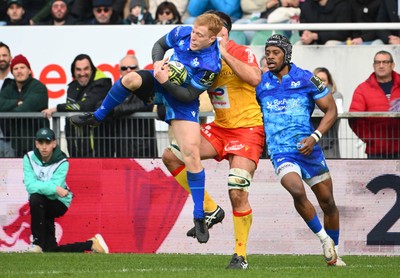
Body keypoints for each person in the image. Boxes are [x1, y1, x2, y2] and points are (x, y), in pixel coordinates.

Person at [70, 13, 224, 244]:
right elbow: (159, 45)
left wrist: (164, 81)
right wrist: (158, 64)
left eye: (199, 35)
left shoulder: (212, 63)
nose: (193, 37)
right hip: (161, 80)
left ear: (212, 39)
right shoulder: (183, 33)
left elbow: (189, 94)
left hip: (183, 101)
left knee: (191, 154)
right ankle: (98, 116)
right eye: (193, 31)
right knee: (130, 79)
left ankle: (200, 216)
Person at [162, 11, 264, 269]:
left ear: (226, 33)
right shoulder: (202, 59)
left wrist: (225, 53)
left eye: (220, 33)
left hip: (247, 129)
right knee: (171, 156)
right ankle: (211, 210)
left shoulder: (241, 52)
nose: (215, 38)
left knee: (237, 189)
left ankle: (240, 256)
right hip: (219, 128)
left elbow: (255, 78)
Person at [256, 34, 346, 266]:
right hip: (281, 152)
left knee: (328, 204)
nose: (270, 57)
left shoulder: (307, 78)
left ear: (287, 54)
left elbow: (331, 110)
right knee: (296, 190)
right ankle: (324, 239)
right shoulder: (260, 84)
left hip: (309, 150)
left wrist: (315, 137)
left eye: (275, 53)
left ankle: (333, 257)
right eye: (267, 53)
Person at [23, 127, 109, 253]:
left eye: (47, 143)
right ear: (36, 144)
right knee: (51, 250)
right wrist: (54, 188)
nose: (44, 147)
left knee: (36, 198)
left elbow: (50, 193)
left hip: (59, 202)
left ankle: (37, 243)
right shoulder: (28, 158)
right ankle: (91, 244)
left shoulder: (62, 162)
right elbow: (30, 185)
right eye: (40, 143)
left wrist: (52, 188)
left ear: (54, 143)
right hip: (44, 202)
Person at [42, 54, 112, 157]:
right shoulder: (72, 87)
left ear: (92, 69)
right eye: (78, 70)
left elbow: (86, 106)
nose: (82, 73)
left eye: (86, 69)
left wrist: (58, 108)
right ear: (73, 72)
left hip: (98, 147)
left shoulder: (102, 84)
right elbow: (71, 114)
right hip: (76, 146)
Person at [349, 50, 400, 159]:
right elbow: (354, 118)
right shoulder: (362, 89)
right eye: (378, 62)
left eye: (385, 62)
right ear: (373, 65)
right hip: (376, 151)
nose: (381, 66)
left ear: (392, 65)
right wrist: (370, 139)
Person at [110, 50, 158, 158]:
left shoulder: (147, 86)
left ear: (138, 69)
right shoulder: (115, 90)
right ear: (120, 71)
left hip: (144, 148)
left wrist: (118, 110)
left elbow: (147, 104)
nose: (128, 70)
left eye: (132, 67)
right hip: (122, 148)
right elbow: (102, 104)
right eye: (124, 68)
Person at [0, 54, 49, 157]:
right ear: (12, 72)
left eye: (22, 67)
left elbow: (24, 109)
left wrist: (7, 110)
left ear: (29, 70)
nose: (19, 71)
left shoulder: (38, 87)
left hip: (38, 147)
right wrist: (16, 102)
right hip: (15, 147)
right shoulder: (9, 88)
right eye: (15, 68)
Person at [311, 67, 343, 158]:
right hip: (311, 143)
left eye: (323, 80)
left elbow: (337, 111)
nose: (320, 83)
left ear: (329, 82)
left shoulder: (336, 95)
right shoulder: (307, 95)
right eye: (317, 80)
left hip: (330, 144)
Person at [0, 42, 15, 157]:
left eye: (4, 55)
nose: (2, 58)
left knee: (11, 173)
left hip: (10, 137)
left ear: (10, 57)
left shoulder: (17, 81)